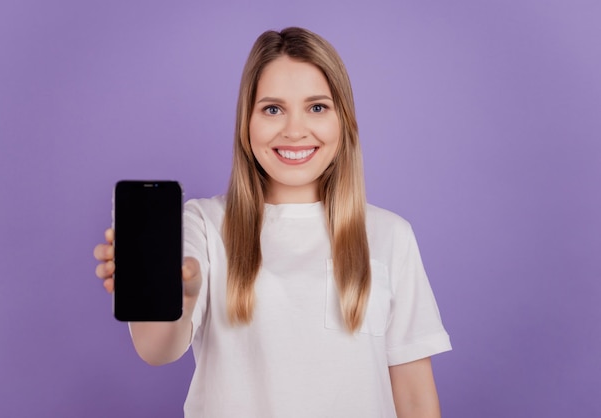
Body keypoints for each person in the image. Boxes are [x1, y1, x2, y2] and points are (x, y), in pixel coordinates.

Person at [94, 27, 451, 418]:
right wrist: (184, 293)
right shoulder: (203, 224)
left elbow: (415, 398)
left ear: (343, 120)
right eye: (272, 109)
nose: (295, 130)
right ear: (246, 123)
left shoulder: (389, 235)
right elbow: (156, 350)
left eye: (317, 107)